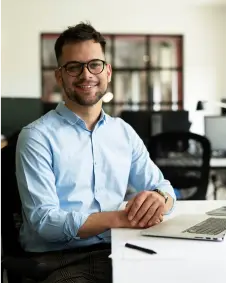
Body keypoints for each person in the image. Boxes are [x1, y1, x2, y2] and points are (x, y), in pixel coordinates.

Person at [15, 22, 176, 283]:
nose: (86, 74)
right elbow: (44, 222)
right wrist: (120, 219)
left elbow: (164, 186)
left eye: (94, 64)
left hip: (120, 246)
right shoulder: (36, 136)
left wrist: (159, 199)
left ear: (108, 71)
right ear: (59, 76)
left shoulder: (123, 132)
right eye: (74, 67)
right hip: (60, 257)